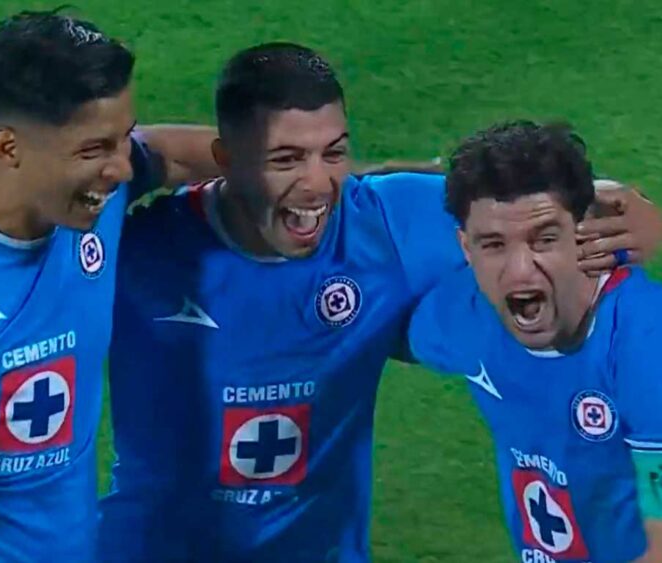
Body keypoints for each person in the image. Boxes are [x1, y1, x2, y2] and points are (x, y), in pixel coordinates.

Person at [100, 42, 662, 561]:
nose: (318, 184)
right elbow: (85, 165)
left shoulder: (383, 226)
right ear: (224, 157)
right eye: (286, 158)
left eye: (333, 153)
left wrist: (639, 215)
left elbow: (523, 198)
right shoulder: (140, 248)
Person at [0, 10, 216, 562]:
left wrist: (313, 177)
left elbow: (171, 154)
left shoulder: (93, 193)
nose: (123, 168)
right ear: (8, 147)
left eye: (122, 139)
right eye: (94, 149)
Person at [409, 121, 662, 562]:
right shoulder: (459, 316)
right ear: (466, 248)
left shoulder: (643, 341)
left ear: (585, 232)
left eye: (544, 239)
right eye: (493, 245)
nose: (521, 270)